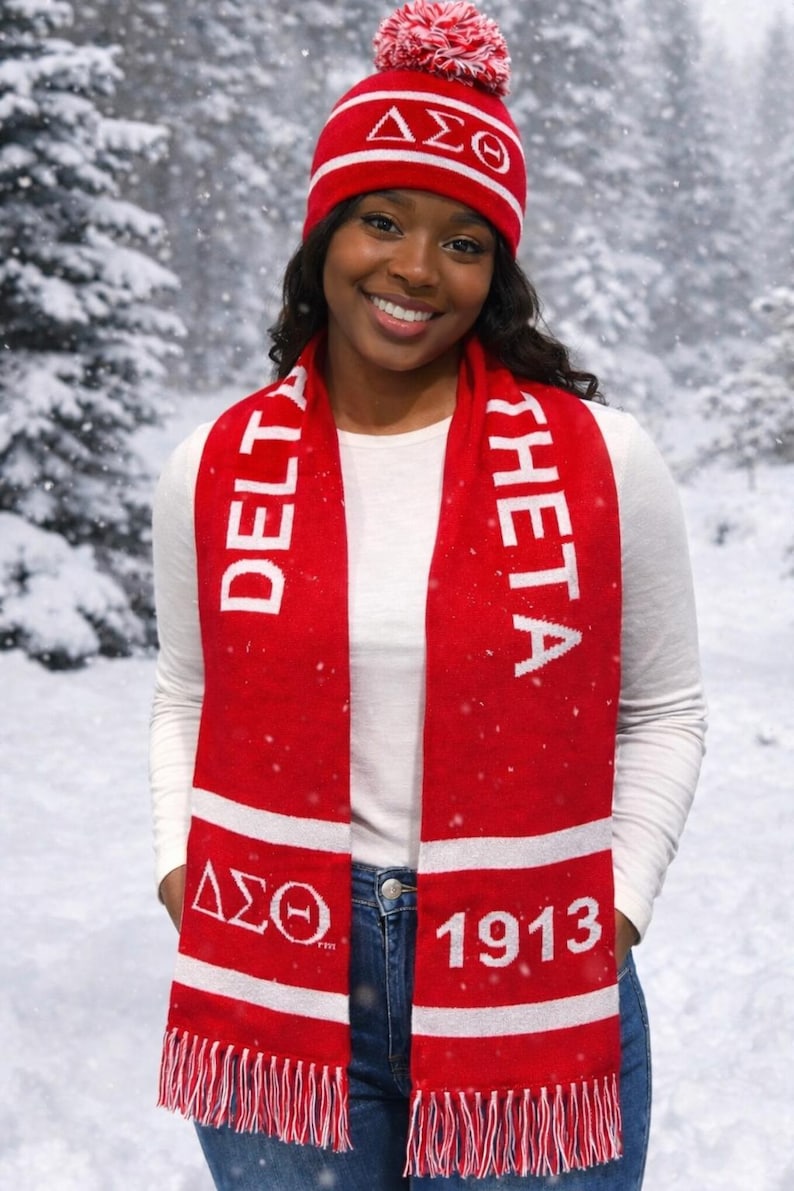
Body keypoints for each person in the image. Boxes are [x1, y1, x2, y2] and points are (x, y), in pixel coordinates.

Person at [149, 2, 706, 1187]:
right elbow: (185, 690)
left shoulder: (604, 460)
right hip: (281, 951)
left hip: (531, 954)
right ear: (322, 236)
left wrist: (617, 907)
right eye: (381, 220)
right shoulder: (214, 466)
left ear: (495, 269)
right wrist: (172, 864)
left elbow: (661, 709)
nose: (413, 268)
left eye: (461, 240)